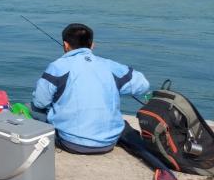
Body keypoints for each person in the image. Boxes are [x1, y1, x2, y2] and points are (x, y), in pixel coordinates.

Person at [31, 23, 150, 154]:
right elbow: (143, 85)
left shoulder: (57, 67)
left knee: (33, 109)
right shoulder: (110, 66)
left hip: (70, 143)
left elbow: (40, 102)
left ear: (65, 45)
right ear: (92, 45)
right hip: (109, 143)